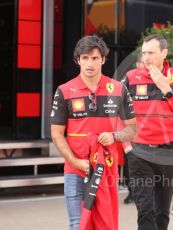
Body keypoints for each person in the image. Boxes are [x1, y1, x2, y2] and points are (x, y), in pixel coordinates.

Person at [50, 35, 137, 230]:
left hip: (106, 170)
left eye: (95, 58)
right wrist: (76, 162)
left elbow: (132, 129)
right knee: (78, 224)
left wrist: (114, 136)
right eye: (85, 58)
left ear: (103, 59)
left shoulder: (118, 89)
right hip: (75, 171)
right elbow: (56, 134)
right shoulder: (64, 91)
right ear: (77, 60)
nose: (90, 63)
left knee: (105, 224)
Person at [122, 34, 173, 230]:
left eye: (151, 53)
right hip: (139, 152)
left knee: (162, 213)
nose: (146, 57)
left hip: (168, 151)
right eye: (143, 53)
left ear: (164, 53)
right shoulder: (130, 78)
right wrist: (127, 146)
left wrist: (167, 90)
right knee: (145, 210)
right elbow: (115, 113)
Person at [123, 54, 145, 205]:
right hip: (130, 132)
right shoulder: (129, 82)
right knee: (129, 166)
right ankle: (131, 192)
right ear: (137, 64)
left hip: (148, 134)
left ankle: (143, 194)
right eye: (142, 62)